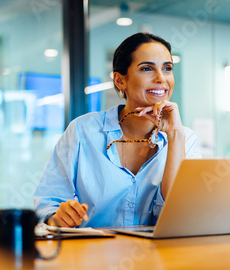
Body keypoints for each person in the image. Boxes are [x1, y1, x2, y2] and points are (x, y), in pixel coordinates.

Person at [33, 32, 201, 228]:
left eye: (167, 68)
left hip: (159, 255)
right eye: (147, 68)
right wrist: (57, 217)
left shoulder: (185, 139)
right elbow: (47, 204)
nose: (161, 78)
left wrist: (174, 136)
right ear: (120, 80)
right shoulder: (83, 131)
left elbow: (180, 215)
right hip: (91, 254)